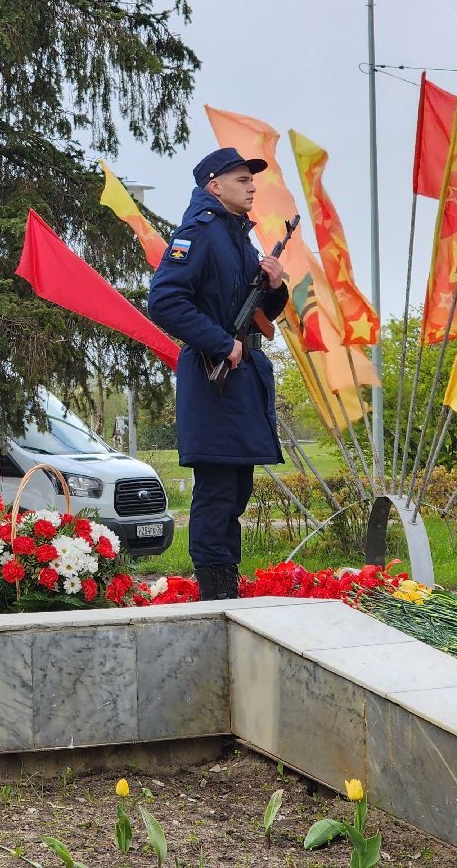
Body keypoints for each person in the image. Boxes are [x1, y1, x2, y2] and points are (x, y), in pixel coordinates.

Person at [149, 146, 288, 601]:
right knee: (216, 493)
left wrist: (275, 285)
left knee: (235, 491)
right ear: (214, 185)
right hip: (214, 378)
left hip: (239, 376)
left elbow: (258, 314)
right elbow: (165, 300)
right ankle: (216, 597)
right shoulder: (200, 233)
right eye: (242, 179)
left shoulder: (237, 238)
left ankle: (226, 586)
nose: (252, 186)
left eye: (252, 179)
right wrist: (219, 341)